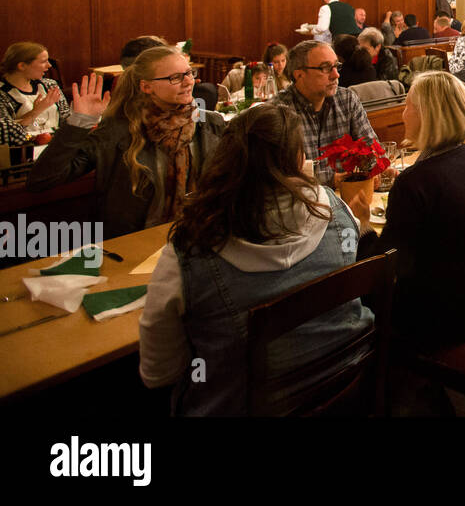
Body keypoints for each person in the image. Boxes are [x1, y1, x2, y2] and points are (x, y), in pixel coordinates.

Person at [138, 103, 373, 415]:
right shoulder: (335, 210)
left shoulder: (189, 252)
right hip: (346, 389)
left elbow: (159, 373)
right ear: (297, 159)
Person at [361, 71, 465, 352]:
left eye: (408, 107)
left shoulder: (414, 182)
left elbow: (384, 267)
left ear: (427, 114)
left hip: (435, 319)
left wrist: (363, 225)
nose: (403, 115)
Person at [27, 46, 228, 238]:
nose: (188, 82)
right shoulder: (117, 131)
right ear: (146, 86)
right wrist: (80, 121)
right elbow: (42, 179)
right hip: (133, 245)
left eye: (189, 73)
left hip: (198, 236)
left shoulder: (210, 124)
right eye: (175, 77)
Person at [273, 41, 377, 160]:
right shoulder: (279, 112)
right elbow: (277, 174)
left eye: (336, 66)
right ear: (299, 75)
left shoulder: (347, 99)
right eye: (325, 68)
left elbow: (373, 152)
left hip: (348, 179)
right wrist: (333, 179)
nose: (336, 75)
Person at [1, 42, 69, 146]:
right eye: (43, 62)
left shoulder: (50, 85)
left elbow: (66, 119)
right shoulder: (3, 94)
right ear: (22, 66)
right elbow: (6, 135)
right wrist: (36, 111)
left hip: (56, 146)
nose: (49, 65)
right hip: (24, 153)